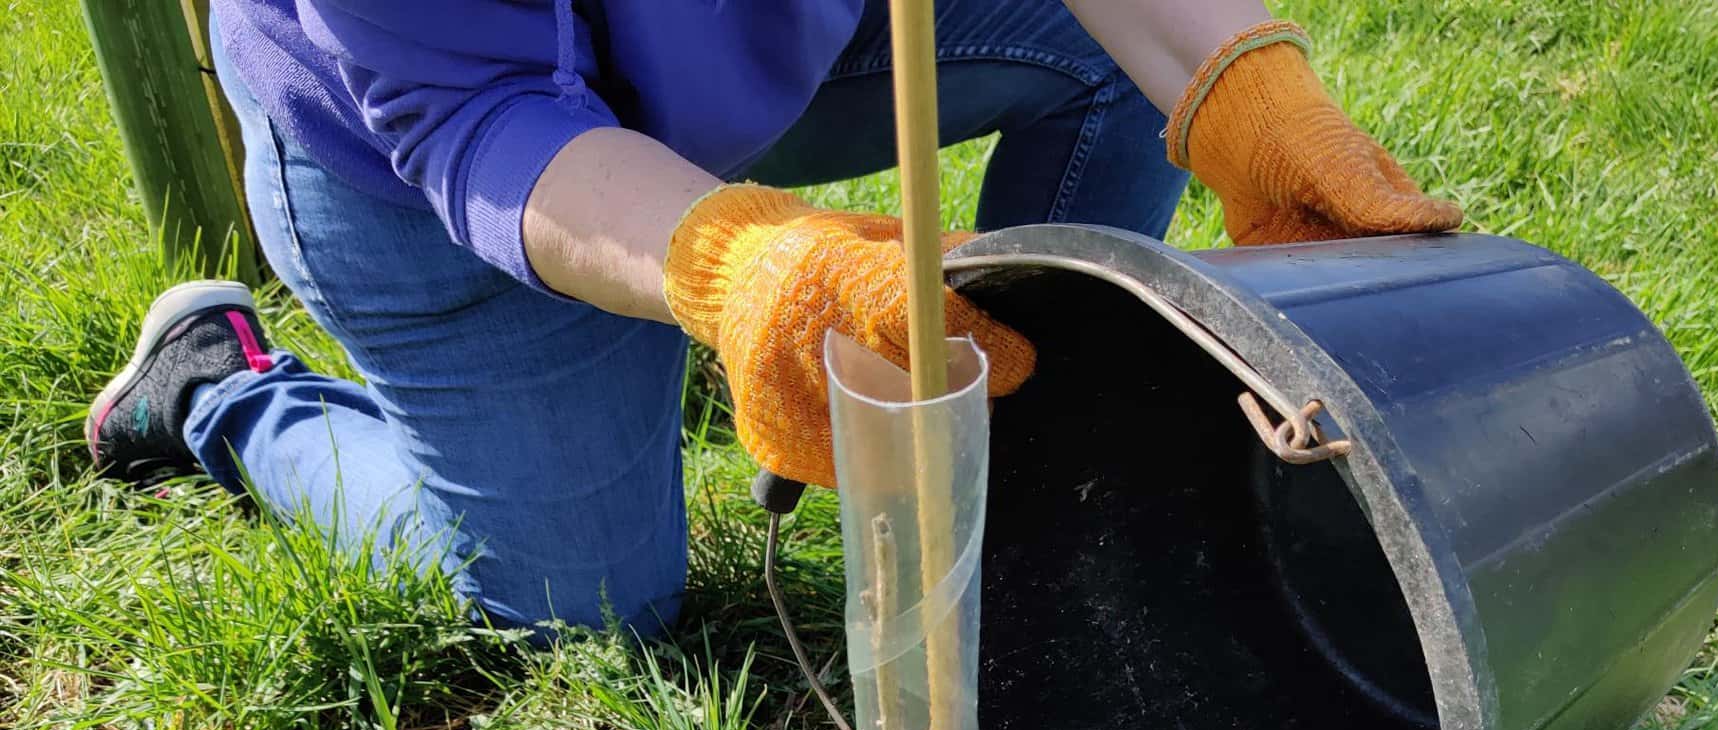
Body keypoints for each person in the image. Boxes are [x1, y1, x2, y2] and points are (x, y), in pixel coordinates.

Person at [86, 0, 1460, 637]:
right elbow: (480, 115)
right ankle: (222, 389)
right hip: (429, 156)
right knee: (579, 609)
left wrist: (1240, 85)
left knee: (1119, 61)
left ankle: (1044, 437)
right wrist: (741, 270)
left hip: (740, 47)